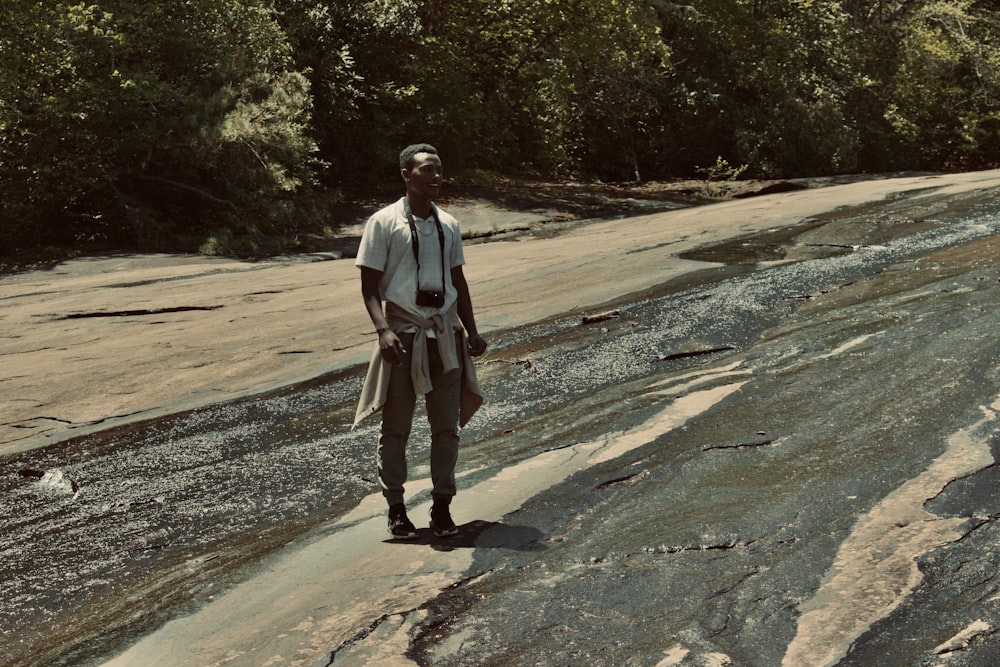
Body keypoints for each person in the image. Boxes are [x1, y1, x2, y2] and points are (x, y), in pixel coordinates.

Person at [353, 143, 488, 539]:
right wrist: (383, 331)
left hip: (444, 336)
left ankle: (442, 505)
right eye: (427, 170)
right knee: (396, 429)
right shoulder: (383, 222)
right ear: (406, 176)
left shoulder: (449, 224)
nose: (436, 177)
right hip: (403, 339)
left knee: (446, 428)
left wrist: (473, 330)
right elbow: (368, 286)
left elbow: (458, 281)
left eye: (440, 170)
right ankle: (396, 508)